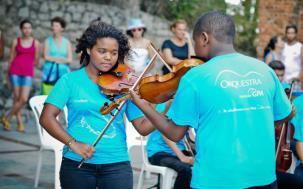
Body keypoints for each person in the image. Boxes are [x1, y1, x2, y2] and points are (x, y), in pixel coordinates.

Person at [130, 11, 294, 189]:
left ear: (204, 38)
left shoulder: (194, 78)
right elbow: (284, 115)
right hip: (263, 178)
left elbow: (174, 132)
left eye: (194, 42)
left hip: (215, 181)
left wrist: (143, 106)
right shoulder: (265, 70)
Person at [39, 20, 155, 189]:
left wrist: (166, 106)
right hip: (77, 163)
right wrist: (73, 143)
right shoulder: (69, 81)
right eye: (102, 51)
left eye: (114, 53)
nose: (108, 57)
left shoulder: (124, 85)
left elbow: (143, 127)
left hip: (117, 163)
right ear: (88, 49)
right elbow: (47, 117)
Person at [268, 60, 303, 189]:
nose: (279, 78)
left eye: (281, 75)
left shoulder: (286, 89)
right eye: (276, 75)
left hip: (286, 137)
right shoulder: (265, 89)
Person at [1, 19, 39, 132]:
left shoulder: (36, 43)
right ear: (21, 29)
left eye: (29, 28)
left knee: (23, 99)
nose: (27, 30)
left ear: (31, 29)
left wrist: (27, 65)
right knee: (17, 98)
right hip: (15, 71)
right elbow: (11, 58)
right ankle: (20, 123)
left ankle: (6, 118)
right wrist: (8, 75)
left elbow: (36, 60)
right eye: (25, 28)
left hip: (27, 73)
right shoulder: (15, 41)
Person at [147, 103, 193, 189]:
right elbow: (166, 134)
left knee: (203, 165)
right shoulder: (165, 106)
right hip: (158, 152)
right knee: (185, 169)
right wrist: (182, 157)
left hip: (179, 150)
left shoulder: (188, 107)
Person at [41, 16, 72, 95]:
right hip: (49, 73)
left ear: (62, 28)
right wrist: (61, 60)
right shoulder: (47, 41)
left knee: (62, 95)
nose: (54, 27)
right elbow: (45, 57)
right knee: (47, 95)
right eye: (53, 25)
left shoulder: (67, 42)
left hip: (63, 73)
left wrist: (53, 59)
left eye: (56, 26)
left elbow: (69, 60)